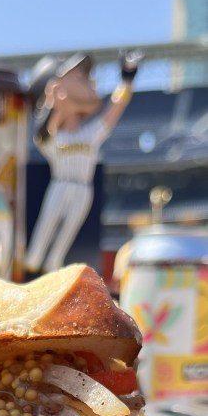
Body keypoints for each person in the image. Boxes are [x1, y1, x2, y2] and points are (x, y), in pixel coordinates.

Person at [25, 52, 140, 275]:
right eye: (78, 78)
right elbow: (42, 134)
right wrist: (53, 102)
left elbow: (113, 111)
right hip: (60, 184)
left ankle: (54, 276)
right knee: (41, 237)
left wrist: (127, 79)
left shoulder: (90, 133)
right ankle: (28, 273)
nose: (90, 83)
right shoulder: (52, 137)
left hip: (82, 188)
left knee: (62, 243)